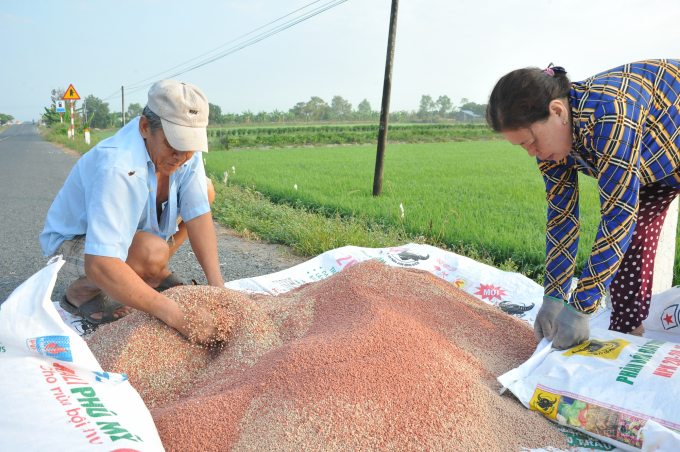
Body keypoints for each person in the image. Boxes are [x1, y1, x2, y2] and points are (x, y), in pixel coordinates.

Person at [487, 60, 680, 350]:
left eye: (531, 142)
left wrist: (580, 307)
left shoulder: (610, 115)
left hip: (669, 133)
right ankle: (628, 339)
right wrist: (554, 296)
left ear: (557, 111)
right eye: (522, 147)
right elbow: (562, 218)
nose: (532, 154)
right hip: (651, 161)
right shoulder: (550, 147)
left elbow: (618, 216)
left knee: (622, 232)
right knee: (632, 245)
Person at [40, 79, 222, 344]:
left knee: (205, 193)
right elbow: (100, 261)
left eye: (189, 146)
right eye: (173, 143)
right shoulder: (118, 166)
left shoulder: (184, 153)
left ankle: (148, 273)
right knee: (150, 252)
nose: (181, 156)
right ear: (145, 127)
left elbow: (198, 214)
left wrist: (219, 289)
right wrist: (177, 316)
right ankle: (82, 292)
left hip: (133, 232)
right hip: (76, 241)